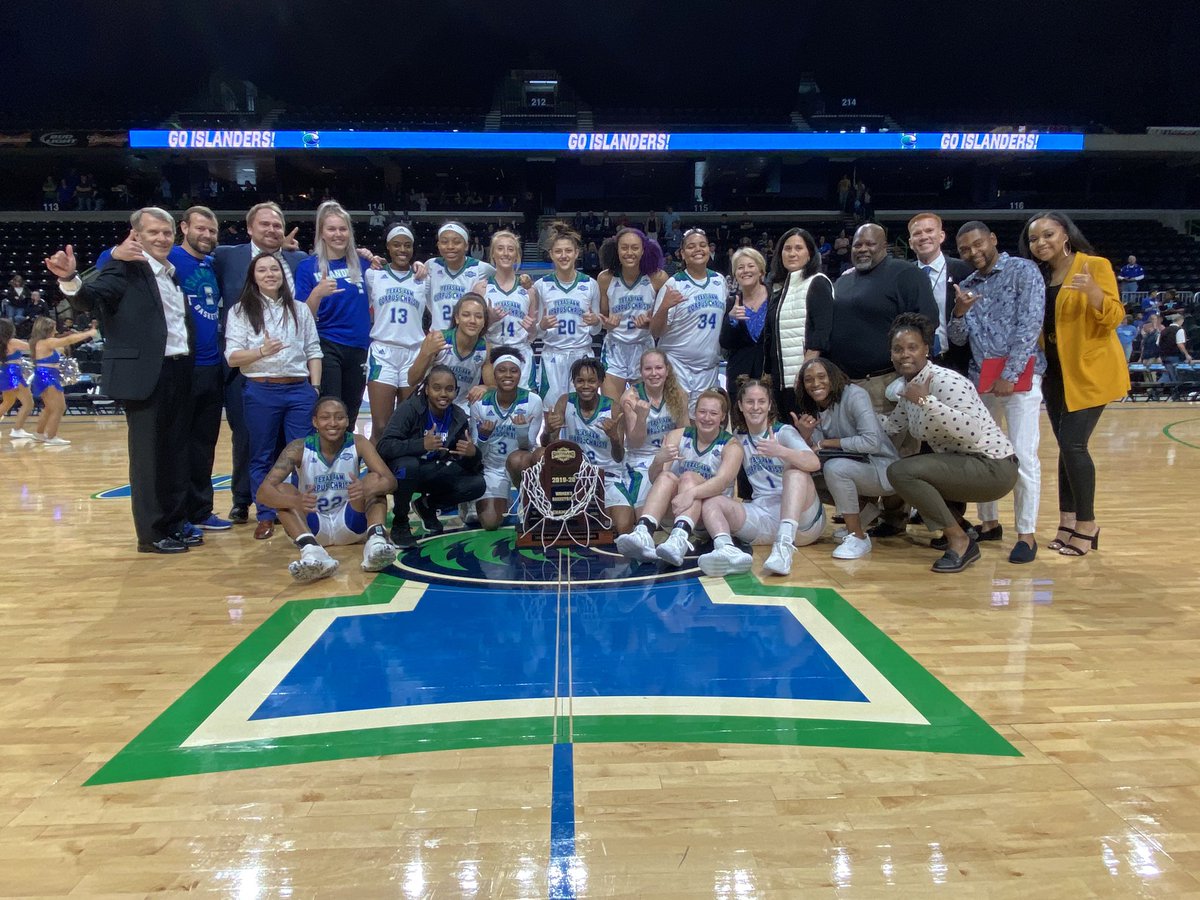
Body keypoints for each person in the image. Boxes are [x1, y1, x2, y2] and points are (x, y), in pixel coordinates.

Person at [46, 208, 198, 553]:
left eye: (166, 233)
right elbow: (90, 299)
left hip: (177, 369)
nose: (161, 238)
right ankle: (152, 534)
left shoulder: (170, 273)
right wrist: (71, 278)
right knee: (149, 458)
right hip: (147, 374)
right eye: (153, 233)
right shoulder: (122, 268)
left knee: (175, 452)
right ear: (136, 236)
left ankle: (175, 524)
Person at [1019, 212, 1129, 557]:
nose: (1041, 243)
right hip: (1054, 374)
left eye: (1048, 235)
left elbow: (1114, 318)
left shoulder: (1093, 266)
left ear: (1065, 234)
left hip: (1090, 371)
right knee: (1067, 449)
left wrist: (1096, 295)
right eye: (1034, 239)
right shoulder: (1039, 275)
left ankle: (1087, 525)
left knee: (1074, 446)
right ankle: (1067, 522)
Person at [881, 314, 1019, 573]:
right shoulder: (910, 387)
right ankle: (959, 527)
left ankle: (961, 541)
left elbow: (971, 431)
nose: (904, 355)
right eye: (898, 349)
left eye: (912, 347)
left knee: (902, 472)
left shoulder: (944, 381)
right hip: (965, 464)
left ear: (926, 349)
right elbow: (890, 426)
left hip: (994, 467)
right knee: (911, 468)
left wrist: (926, 402)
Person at [949, 220, 1046, 564]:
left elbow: (1030, 324)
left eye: (978, 245)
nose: (973, 253)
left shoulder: (1023, 270)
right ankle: (989, 522)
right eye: (965, 250)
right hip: (982, 379)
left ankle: (1027, 534)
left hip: (1020, 378)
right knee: (984, 455)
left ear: (992, 239)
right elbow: (958, 338)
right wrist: (959, 312)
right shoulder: (967, 285)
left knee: (1022, 454)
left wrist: (1010, 373)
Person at [212, 201, 311, 525]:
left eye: (276, 225)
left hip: (294, 375)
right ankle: (245, 501)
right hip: (248, 371)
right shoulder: (228, 255)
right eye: (264, 224)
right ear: (250, 227)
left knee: (290, 448)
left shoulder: (297, 260)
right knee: (249, 441)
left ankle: (288, 508)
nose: (271, 230)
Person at [224, 254, 323, 541]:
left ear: (282, 274)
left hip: (298, 390)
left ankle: (300, 512)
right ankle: (266, 514)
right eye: (262, 270)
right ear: (253, 276)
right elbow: (232, 357)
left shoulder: (300, 309)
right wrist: (261, 352)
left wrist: (314, 388)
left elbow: (313, 350)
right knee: (262, 455)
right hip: (261, 389)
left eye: (274, 269)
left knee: (303, 456)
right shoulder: (241, 311)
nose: (269, 274)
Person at [256, 396, 398, 582]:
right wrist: (295, 501)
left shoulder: (358, 442)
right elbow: (263, 493)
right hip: (313, 526)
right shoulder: (298, 448)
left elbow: (391, 481)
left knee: (374, 481)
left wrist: (364, 489)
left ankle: (376, 542)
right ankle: (313, 553)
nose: (333, 423)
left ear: (347, 421)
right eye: (325, 417)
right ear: (315, 421)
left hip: (351, 522)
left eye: (339, 417)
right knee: (282, 491)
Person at [696, 376, 824, 578]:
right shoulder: (738, 438)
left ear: (769, 405)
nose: (755, 407)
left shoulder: (784, 432)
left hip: (803, 521)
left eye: (761, 402)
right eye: (750, 402)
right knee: (712, 503)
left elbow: (813, 463)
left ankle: (784, 548)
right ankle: (727, 552)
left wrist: (781, 451)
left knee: (794, 471)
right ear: (740, 405)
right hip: (764, 515)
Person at [614, 389, 742, 567]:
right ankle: (644, 531)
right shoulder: (678, 435)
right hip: (676, 509)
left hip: (708, 516)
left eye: (713, 413)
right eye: (702, 412)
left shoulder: (732, 445)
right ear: (694, 413)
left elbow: (721, 484)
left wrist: (691, 494)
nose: (706, 418)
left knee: (689, 478)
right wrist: (658, 460)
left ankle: (680, 538)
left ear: (722, 417)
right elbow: (655, 479)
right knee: (667, 476)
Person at [826, 223, 939, 413]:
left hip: (886, 384)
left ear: (884, 246)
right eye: (857, 245)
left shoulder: (906, 273)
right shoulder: (844, 280)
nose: (862, 249)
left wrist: (910, 375)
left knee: (892, 443)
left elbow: (927, 322)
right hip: (845, 385)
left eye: (870, 244)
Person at [793, 358, 898, 560]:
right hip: (855, 467)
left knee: (835, 468)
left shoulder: (855, 395)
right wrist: (805, 436)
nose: (815, 384)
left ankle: (857, 536)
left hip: (882, 468)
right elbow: (812, 455)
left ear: (833, 377)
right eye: (808, 380)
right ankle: (865, 513)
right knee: (802, 475)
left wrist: (827, 443)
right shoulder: (812, 407)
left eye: (821, 377)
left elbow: (871, 442)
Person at [377, 365, 485, 548]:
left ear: (456, 391)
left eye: (449, 389)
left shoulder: (458, 416)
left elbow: (470, 465)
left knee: (477, 484)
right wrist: (421, 445)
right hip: (404, 471)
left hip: (433, 469)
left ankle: (427, 505)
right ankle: (400, 523)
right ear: (426, 389)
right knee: (408, 465)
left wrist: (473, 454)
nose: (443, 394)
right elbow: (384, 446)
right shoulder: (410, 409)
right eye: (437, 388)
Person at [294, 201, 371, 426]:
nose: (338, 234)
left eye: (342, 229)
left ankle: (346, 459)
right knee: (330, 409)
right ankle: (325, 459)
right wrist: (317, 294)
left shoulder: (363, 263)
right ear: (322, 233)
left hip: (359, 347)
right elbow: (301, 316)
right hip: (327, 344)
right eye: (331, 229)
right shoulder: (308, 267)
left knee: (350, 411)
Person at [542, 357, 629, 531]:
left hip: (608, 474)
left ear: (600, 382)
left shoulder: (613, 408)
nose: (586, 386)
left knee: (624, 525)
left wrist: (614, 438)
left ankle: (599, 508)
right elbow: (547, 446)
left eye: (591, 381)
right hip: (575, 475)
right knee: (577, 525)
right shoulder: (565, 401)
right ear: (573, 382)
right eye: (580, 381)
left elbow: (619, 457)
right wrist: (547, 431)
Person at [651, 229, 729, 415]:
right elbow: (655, 331)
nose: (698, 250)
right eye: (691, 246)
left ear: (710, 250)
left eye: (702, 245)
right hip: (678, 365)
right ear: (682, 254)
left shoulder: (719, 281)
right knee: (678, 422)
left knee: (703, 423)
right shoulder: (673, 284)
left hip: (708, 367)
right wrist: (663, 307)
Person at [470, 348, 544, 530]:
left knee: (518, 458)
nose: (508, 375)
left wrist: (521, 430)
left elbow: (528, 446)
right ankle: (480, 501)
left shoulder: (533, 400)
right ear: (494, 374)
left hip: (521, 463)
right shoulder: (480, 404)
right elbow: (476, 452)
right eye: (502, 370)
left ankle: (526, 502)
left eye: (514, 370)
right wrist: (483, 436)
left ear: (520, 374)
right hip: (492, 467)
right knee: (489, 523)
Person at [364, 223, 426, 441]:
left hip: (414, 353)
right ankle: (376, 473)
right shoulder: (373, 275)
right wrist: (365, 255)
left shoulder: (423, 278)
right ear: (388, 247)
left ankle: (402, 473)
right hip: (383, 351)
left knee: (407, 425)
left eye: (407, 245)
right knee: (381, 426)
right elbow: (343, 254)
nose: (403, 250)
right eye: (397, 245)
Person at [764, 228, 833, 422]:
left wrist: (805, 375)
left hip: (807, 382)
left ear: (810, 253)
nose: (792, 253)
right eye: (787, 248)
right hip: (781, 381)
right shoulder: (779, 289)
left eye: (798, 248)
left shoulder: (817, 282)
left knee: (806, 437)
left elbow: (821, 333)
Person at [618, 348, 689, 526]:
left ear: (667, 370)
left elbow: (685, 432)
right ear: (641, 372)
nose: (654, 373)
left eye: (658, 368)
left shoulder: (679, 394)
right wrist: (641, 417)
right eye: (648, 369)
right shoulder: (630, 397)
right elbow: (634, 442)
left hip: (670, 456)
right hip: (641, 459)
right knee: (645, 515)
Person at [535, 222, 601, 407]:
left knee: (580, 412)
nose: (563, 256)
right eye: (558, 252)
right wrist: (542, 326)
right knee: (552, 415)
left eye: (568, 251)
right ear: (551, 255)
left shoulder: (590, 284)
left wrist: (596, 321)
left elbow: (596, 331)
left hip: (581, 355)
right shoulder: (541, 285)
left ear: (577, 253)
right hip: (552, 357)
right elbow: (535, 333)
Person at [597, 228, 667, 401]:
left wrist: (651, 323)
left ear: (643, 250)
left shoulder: (657, 278)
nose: (629, 253)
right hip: (615, 349)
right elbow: (602, 319)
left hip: (644, 347)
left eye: (635, 248)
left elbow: (664, 322)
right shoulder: (605, 278)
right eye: (624, 247)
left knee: (643, 412)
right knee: (614, 413)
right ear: (617, 250)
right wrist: (608, 324)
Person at [907, 213, 974, 374]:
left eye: (929, 231)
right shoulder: (904, 274)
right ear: (910, 243)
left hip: (958, 360)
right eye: (917, 233)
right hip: (918, 364)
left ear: (941, 236)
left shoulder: (964, 270)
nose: (924, 237)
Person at [408, 293, 492, 411]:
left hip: (463, 410)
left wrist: (485, 388)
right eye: (466, 315)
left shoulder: (485, 348)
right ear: (457, 318)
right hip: (431, 406)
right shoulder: (438, 339)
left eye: (478, 316)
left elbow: (493, 387)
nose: (472, 321)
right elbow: (412, 380)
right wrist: (427, 353)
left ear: (484, 321)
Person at [479, 230, 538, 389]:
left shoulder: (529, 290)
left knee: (524, 408)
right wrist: (489, 320)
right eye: (500, 248)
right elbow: (472, 332)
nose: (505, 253)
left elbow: (532, 336)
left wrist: (532, 329)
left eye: (510, 249)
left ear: (517, 255)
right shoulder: (482, 288)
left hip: (521, 353)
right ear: (492, 254)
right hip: (492, 353)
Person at [24, 317, 96, 445]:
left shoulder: (39, 342)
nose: (56, 330)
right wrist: (88, 333)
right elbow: (68, 340)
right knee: (59, 408)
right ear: (47, 329)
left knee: (49, 408)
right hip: (48, 376)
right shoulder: (47, 342)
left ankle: (39, 433)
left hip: (43, 375)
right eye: (53, 328)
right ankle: (51, 437)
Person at [424, 222, 495, 333]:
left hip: (466, 337)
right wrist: (417, 264)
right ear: (438, 245)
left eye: (456, 242)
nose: (450, 246)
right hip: (438, 336)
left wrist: (524, 280)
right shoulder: (431, 265)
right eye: (444, 242)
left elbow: (504, 279)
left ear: (466, 245)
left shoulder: (481, 268)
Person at [720, 247, 771, 395]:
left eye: (750, 266)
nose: (745, 271)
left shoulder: (775, 299)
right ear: (735, 274)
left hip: (769, 374)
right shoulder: (731, 303)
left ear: (761, 271)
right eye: (740, 267)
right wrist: (732, 320)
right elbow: (725, 343)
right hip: (739, 376)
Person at [0, 319, 35, 439]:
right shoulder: (12, 342)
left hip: (4, 373)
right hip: (13, 374)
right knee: (28, 403)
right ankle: (17, 430)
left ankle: (18, 429)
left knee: (7, 402)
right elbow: (33, 347)